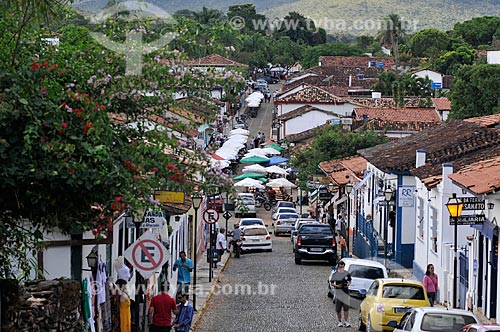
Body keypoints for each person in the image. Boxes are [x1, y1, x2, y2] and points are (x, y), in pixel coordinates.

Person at [329, 260, 352, 327]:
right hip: (338, 293)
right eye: (340, 267)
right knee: (338, 309)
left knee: (346, 308)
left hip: (346, 293)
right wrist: (337, 286)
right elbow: (332, 283)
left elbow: (350, 280)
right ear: (338, 267)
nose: (341, 268)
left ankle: (346, 321)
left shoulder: (347, 273)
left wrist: (348, 284)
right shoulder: (335, 274)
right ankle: (339, 321)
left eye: (343, 267)